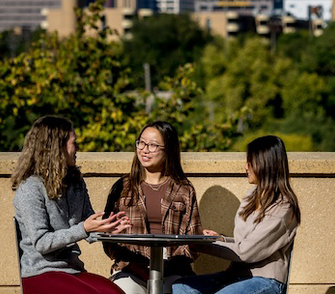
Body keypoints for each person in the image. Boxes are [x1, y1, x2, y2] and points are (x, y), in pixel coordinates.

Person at [11, 115, 131, 294]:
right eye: (73, 143)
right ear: (56, 147)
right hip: (41, 273)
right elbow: (42, 243)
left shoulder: (75, 182)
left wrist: (108, 228)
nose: (78, 148)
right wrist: (84, 228)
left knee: (115, 292)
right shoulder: (30, 188)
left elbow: (87, 226)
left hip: (72, 269)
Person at [173, 135, 300, 294]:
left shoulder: (283, 208)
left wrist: (203, 245)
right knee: (180, 287)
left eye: (250, 162)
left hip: (265, 280)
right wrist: (220, 239)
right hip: (236, 275)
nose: (245, 167)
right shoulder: (251, 196)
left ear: (266, 163)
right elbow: (245, 242)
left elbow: (247, 252)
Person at [104, 121, 204, 294]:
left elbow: (194, 239)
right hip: (131, 270)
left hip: (174, 272)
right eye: (141, 143)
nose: (144, 149)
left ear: (169, 150)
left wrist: (169, 259)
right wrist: (134, 258)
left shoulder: (184, 189)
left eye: (153, 145)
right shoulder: (123, 187)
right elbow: (107, 235)